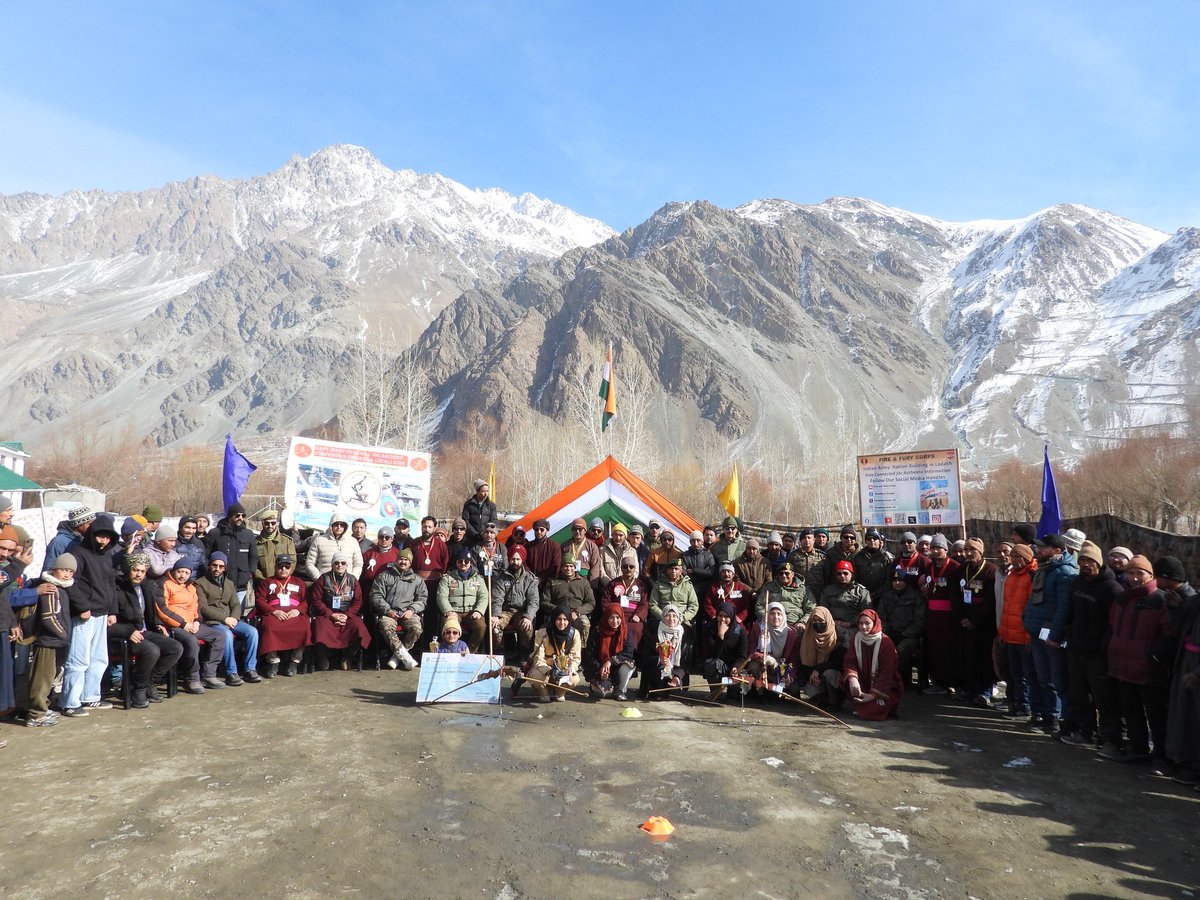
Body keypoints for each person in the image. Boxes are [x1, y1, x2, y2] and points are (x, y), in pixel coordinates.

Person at [1107, 555, 1174, 773]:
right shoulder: (1123, 599)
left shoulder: (1160, 600)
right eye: (1131, 573)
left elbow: (1169, 634)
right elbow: (1112, 626)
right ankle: (1139, 751)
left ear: (1151, 575)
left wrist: (1154, 657)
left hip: (1148, 670)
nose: (1135, 578)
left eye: (1140, 573)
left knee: (1156, 716)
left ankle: (1161, 757)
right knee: (1131, 711)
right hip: (1122, 667)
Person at [1060, 541, 1121, 749]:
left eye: (1090, 560)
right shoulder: (1077, 583)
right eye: (1083, 560)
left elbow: (1114, 624)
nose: (1086, 564)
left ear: (1098, 562)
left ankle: (1111, 739)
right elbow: (1071, 613)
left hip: (1098, 654)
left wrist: (1103, 647)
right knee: (1079, 695)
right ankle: (1086, 733)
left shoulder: (1111, 588)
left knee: (1104, 699)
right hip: (1076, 649)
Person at [60, 512, 120, 716]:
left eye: (108, 537)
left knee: (99, 658)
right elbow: (69, 582)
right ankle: (69, 702)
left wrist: (113, 610)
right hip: (84, 614)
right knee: (78, 659)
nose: (103, 541)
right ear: (92, 533)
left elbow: (110, 583)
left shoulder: (107, 555)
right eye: (100, 536)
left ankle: (90, 696)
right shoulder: (78, 553)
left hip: (102, 613)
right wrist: (82, 607)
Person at [111, 555, 185, 706]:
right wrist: (127, 631)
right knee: (151, 651)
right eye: (135, 570)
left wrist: (158, 624)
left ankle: (148, 682)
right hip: (123, 634)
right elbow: (110, 621)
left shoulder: (146, 586)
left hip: (144, 630)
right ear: (127, 569)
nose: (139, 574)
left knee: (175, 647)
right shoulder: (117, 588)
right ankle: (137, 689)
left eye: (142, 571)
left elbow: (151, 612)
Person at [1023, 534, 1078, 735]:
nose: (1038, 551)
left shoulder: (1064, 573)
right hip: (1038, 631)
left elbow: (1063, 608)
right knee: (1042, 677)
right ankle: (1046, 716)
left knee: (1056, 680)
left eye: (1043, 548)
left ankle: (1057, 718)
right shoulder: (1045, 570)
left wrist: (1055, 634)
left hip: (1051, 637)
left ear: (1056, 550)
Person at [156, 560, 228, 693]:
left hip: (192, 624)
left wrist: (196, 621)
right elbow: (162, 609)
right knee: (191, 641)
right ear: (174, 571)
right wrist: (183, 624)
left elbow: (196, 607)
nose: (183, 575)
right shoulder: (164, 584)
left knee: (219, 635)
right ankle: (192, 678)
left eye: (186, 573)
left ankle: (209, 675)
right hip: (174, 626)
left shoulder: (191, 587)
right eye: (180, 572)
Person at [23, 553, 77, 726]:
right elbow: (49, 617)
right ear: (54, 569)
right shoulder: (51, 589)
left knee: (49, 677)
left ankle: (43, 709)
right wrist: (63, 634)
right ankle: (36, 714)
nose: (67, 574)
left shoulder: (62, 589)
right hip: (47, 641)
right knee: (42, 679)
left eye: (70, 571)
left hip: (55, 641)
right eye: (63, 569)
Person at [196, 552, 261, 685]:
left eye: (221, 566)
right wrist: (225, 619)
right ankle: (231, 672)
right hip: (212, 621)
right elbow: (203, 608)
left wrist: (234, 618)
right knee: (226, 634)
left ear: (225, 568)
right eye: (215, 565)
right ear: (209, 565)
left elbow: (235, 604)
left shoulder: (229, 583)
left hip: (231, 620)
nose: (217, 569)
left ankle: (250, 669)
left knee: (252, 632)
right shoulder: (200, 583)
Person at [1162, 557, 1200, 784]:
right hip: (1186, 662)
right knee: (1183, 718)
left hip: (1196, 669)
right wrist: (1174, 608)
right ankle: (1188, 765)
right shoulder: (1195, 602)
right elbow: (1180, 628)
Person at [309, 552, 371, 669]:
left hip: (346, 614)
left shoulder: (352, 580)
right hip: (327, 613)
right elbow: (316, 600)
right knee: (320, 626)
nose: (340, 565)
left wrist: (347, 615)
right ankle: (323, 657)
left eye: (343, 563)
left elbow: (358, 601)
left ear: (346, 565)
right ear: (332, 565)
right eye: (336, 563)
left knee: (358, 626)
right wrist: (331, 614)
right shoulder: (323, 578)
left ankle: (348, 656)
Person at [956, 537, 997, 707]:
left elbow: (990, 601)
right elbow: (955, 594)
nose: (968, 553)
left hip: (984, 624)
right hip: (965, 621)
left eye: (972, 550)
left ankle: (985, 691)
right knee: (968, 657)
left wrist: (975, 620)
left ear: (980, 551)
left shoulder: (990, 570)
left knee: (984, 658)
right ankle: (969, 689)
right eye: (966, 549)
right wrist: (962, 617)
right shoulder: (962, 569)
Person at [999, 544, 1038, 721]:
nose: (1014, 559)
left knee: (1028, 675)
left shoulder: (1032, 576)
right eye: (1012, 556)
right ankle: (1019, 703)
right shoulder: (1011, 576)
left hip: (1024, 635)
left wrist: (1030, 633)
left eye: (1017, 556)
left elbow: (1031, 607)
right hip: (1009, 633)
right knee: (1015, 673)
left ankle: (1028, 707)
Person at [369, 549, 426, 671]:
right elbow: (376, 595)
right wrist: (387, 610)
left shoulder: (417, 580)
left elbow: (422, 599)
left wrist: (412, 610)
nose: (403, 562)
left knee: (416, 629)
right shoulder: (384, 576)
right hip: (389, 612)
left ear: (410, 562)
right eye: (401, 559)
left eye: (406, 560)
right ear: (396, 560)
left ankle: (397, 657)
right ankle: (405, 657)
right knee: (386, 627)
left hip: (408, 613)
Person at [919, 534, 962, 695]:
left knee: (949, 649)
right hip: (932, 615)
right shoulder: (929, 567)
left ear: (946, 549)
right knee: (935, 649)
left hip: (949, 616)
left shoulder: (955, 567)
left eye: (939, 548)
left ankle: (952, 682)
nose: (936, 551)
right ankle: (938, 682)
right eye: (934, 548)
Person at [254, 555, 310, 677]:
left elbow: (306, 600)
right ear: (275, 568)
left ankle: (295, 661)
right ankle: (273, 661)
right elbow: (259, 600)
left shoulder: (299, 582)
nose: (283, 569)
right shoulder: (267, 582)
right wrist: (273, 611)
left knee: (304, 627)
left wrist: (298, 610)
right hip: (274, 613)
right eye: (280, 566)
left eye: (287, 566)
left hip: (294, 613)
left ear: (291, 568)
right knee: (269, 627)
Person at [843, 609, 902, 720]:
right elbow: (849, 661)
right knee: (847, 680)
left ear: (875, 623)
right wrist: (852, 678)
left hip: (884, 687)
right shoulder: (856, 638)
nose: (863, 627)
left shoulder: (886, 642)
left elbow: (887, 672)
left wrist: (873, 695)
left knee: (872, 711)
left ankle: (867, 707)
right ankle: (862, 704)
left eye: (867, 623)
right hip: (864, 681)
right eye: (861, 623)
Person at [739, 601, 800, 700]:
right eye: (772, 614)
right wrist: (765, 658)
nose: (776, 617)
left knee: (791, 686)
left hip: (782, 666)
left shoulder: (791, 634)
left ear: (783, 616)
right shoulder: (758, 628)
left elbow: (793, 660)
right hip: (761, 665)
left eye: (779, 614)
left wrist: (790, 675)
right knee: (754, 668)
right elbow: (751, 652)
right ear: (767, 616)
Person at [875, 567, 925, 684]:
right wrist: (887, 630)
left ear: (906, 582)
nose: (897, 583)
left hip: (908, 635)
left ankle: (900, 679)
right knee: (881, 646)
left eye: (900, 580)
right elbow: (880, 617)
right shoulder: (886, 596)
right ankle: (884, 678)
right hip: (890, 632)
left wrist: (905, 633)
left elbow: (920, 620)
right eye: (894, 581)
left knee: (901, 650)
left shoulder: (916, 597)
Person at [491, 544, 539, 660]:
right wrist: (496, 615)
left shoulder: (530, 578)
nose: (515, 562)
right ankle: (500, 654)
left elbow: (534, 600)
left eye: (518, 559)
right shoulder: (501, 577)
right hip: (505, 611)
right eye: (513, 559)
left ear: (522, 560)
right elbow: (497, 597)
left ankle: (524, 654)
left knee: (527, 627)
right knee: (495, 627)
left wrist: (528, 616)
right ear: (509, 559)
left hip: (521, 611)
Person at [436, 548, 489, 652]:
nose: (463, 563)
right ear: (456, 562)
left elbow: (484, 596)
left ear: (470, 563)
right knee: (448, 626)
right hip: (454, 611)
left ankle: (469, 652)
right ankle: (449, 651)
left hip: (472, 611)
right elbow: (441, 596)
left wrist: (479, 610)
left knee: (481, 627)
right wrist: (448, 611)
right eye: (460, 561)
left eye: (466, 561)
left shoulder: (478, 578)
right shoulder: (447, 578)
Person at [205, 503, 259, 605]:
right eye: (237, 515)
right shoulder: (215, 533)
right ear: (230, 516)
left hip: (241, 584)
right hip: (219, 582)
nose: (240, 518)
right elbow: (206, 555)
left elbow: (253, 556)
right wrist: (211, 571)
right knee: (220, 614)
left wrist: (250, 573)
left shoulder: (248, 534)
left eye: (243, 516)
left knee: (237, 615)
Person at [528, 605, 582, 701]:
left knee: (574, 679)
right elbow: (538, 658)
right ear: (553, 619)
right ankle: (543, 692)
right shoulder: (542, 633)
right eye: (558, 619)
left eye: (565, 619)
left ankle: (559, 692)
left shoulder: (575, 634)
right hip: (545, 668)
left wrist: (570, 670)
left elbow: (576, 658)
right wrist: (549, 671)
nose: (562, 623)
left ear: (569, 620)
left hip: (564, 669)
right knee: (538, 678)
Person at [637, 604, 690, 699]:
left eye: (674, 616)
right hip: (656, 670)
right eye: (667, 615)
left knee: (674, 690)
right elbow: (644, 659)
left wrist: (677, 676)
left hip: (675, 671)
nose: (671, 619)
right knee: (658, 671)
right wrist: (659, 659)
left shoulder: (685, 636)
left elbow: (685, 662)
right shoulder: (652, 633)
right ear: (662, 617)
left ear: (679, 618)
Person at [586, 603, 637, 700]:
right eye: (611, 618)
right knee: (602, 693)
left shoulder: (625, 631)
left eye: (618, 618)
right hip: (601, 669)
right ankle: (601, 685)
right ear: (606, 617)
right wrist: (600, 670)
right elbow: (590, 655)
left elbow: (628, 652)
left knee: (629, 664)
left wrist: (610, 661)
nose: (615, 621)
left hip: (618, 667)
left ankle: (621, 690)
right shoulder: (597, 632)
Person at [540, 557, 595, 645]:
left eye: (571, 566)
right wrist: (557, 610)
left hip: (576, 614)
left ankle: (580, 651)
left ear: (575, 567)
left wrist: (577, 612)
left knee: (585, 624)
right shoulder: (552, 582)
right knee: (543, 630)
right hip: (557, 613)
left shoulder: (583, 582)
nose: (568, 569)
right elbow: (544, 602)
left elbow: (591, 603)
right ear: (561, 567)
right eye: (565, 566)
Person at [795, 606, 842, 707]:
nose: (817, 623)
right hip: (814, 676)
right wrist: (812, 675)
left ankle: (834, 702)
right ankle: (821, 701)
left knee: (830, 674)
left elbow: (839, 662)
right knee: (810, 688)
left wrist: (818, 670)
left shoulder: (840, 635)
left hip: (832, 674)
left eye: (821, 620)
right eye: (814, 620)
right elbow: (803, 662)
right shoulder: (807, 635)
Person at [602, 551, 650, 647]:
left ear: (634, 568)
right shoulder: (613, 583)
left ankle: (632, 656)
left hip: (633, 616)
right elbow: (605, 601)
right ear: (621, 568)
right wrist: (612, 615)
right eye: (625, 567)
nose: (628, 569)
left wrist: (638, 615)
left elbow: (644, 603)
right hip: (617, 616)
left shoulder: (640, 585)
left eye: (631, 567)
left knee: (636, 629)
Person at [702, 602, 747, 700]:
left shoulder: (740, 630)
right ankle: (715, 690)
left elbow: (742, 655)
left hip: (734, 667)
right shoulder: (710, 628)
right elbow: (712, 654)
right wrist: (720, 636)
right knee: (711, 664)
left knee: (733, 698)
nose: (722, 619)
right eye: (720, 616)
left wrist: (736, 667)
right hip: (718, 665)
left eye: (726, 616)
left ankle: (733, 691)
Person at [304, 511, 364, 582]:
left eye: (342, 525)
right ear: (331, 525)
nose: (339, 527)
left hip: (346, 584)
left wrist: (352, 579)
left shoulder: (353, 542)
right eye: (336, 524)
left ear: (345, 527)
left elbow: (358, 564)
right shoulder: (319, 540)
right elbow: (309, 563)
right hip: (324, 584)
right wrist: (320, 579)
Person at [820, 560, 872, 639]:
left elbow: (866, 613)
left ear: (851, 574)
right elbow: (822, 610)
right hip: (831, 624)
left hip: (854, 626)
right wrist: (831, 621)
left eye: (845, 573)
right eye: (839, 573)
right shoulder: (828, 590)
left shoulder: (861, 592)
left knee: (846, 638)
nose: (842, 576)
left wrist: (850, 623)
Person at [648, 557, 699, 629]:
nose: (673, 571)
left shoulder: (688, 585)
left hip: (683, 621)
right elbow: (653, 604)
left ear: (681, 571)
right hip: (663, 620)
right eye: (671, 569)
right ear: (667, 570)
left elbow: (694, 605)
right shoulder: (658, 585)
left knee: (688, 637)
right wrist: (663, 616)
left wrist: (684, 617)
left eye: (676, 569)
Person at [702, 563, 754, 629]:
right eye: (723, 571)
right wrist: (716, 617)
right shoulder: (713, 587)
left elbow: (746, 605)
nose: (726, 574)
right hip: (718, 621)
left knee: (741, 632)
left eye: (729, 571)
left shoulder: (741, 587)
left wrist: (739, 617)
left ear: (733, 574)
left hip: (736, 621)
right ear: (720, 574)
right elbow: (707, 604)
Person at [41, 506, 95, 570]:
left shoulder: (87, 539)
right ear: (78, 524)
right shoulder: (59, 542)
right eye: (89, 524)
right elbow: (49, 568)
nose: (92, 527)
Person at [852, 529, 895, 603]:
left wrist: (877, 594)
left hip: (883, 597)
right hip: (861, 596)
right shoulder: (858, 557)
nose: (872, 540)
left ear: (880, 540)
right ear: (865, 541)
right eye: (869, 538)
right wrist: (862, 593)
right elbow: (854, 577)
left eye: (875, 538)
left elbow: (889, 580)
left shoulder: (887, 558)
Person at [255, 512, 296, 583]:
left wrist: (283, 576)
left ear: (277, 523)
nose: (270, 526)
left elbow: (292, 562)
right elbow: (252, 564)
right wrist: (262, 579)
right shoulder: (255, 542)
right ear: (262, 523)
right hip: (262, 583)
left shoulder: (287, 541)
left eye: (273, 523)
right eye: (267, 523)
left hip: (282, 582)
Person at [786, 528, 826, 597]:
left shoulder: (822, 556)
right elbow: (788, 572)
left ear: (813, 540)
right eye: (804, 538)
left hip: (818, 592)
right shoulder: (793, 555)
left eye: (809, 538)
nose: (807, 540)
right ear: (800, 541)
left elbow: (827, 574)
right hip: (798, 591)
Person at [681, 530, 716, 601]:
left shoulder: (708, 555)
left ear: (702, 541)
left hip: (705, 590)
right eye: (693, 541)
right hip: (689, 588)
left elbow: (711, 572)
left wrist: (693, 571)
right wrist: (703, 573)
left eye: (698, 540)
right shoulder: (685, 555)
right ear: (690, 542)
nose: (696, 543)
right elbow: (683, 572)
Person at [526, 519, 563, 586]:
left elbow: (556, 566)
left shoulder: (554, 546)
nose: (539, 532)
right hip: (530, 582)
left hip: (548, 583)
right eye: (536, 530)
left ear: (547, 530)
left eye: (542, 529)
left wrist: (541, 579)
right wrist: (530, 576)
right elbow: (523, 563)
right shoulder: (528, 546)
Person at [594, 523, 631, 590]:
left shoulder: (631, 551)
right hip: (607, 587)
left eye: (621, 535)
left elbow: (635, 570)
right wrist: (611, 584)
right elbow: (601, 570)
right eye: (616, 535)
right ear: (612, 535)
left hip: (626, 587)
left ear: (625, 536)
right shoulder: (603, 550)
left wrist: (627, 584)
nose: (618, 538)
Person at [461, 479, 497, 546]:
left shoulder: (491, 505)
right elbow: (465, 521)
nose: (486, 493)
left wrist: (486, 533)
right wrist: (475, 534)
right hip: (471, 539)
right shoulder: (468, 504)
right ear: (477, 491)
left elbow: (493, 521)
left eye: (487, 491)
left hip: (486, 539)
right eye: (483, 491)